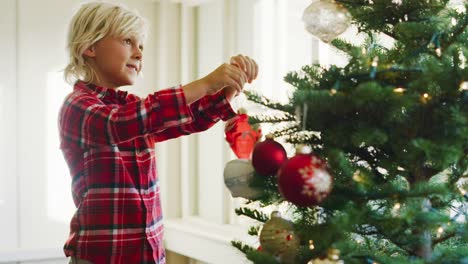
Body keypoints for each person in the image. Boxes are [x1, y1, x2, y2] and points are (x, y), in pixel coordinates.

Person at [59, 2, 258, 263]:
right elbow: (121, 123)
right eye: (128, 41)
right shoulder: (78, 106)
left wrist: (227, 88)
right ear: (90, 46)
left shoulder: (133, 107)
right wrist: (207, 83)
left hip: (149, 256)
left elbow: (187, 120)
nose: (139, 53)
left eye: (141, 45)